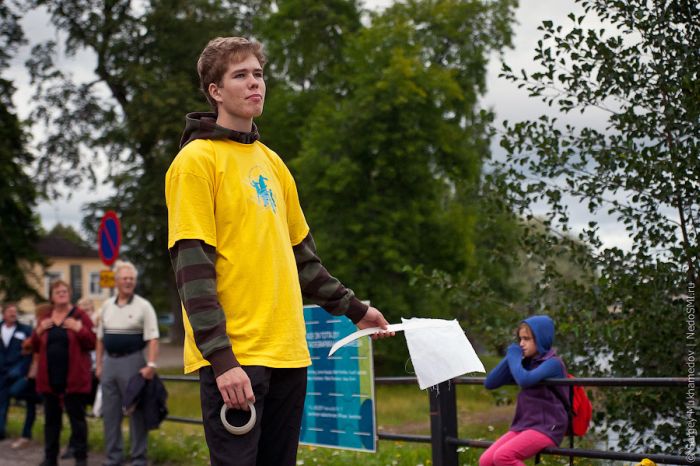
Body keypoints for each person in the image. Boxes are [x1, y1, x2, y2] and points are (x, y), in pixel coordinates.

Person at [165, 36, 393, 466]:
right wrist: (221, 358)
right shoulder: (196, 161)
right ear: (215, 91)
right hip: (236, 358)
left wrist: (356, 310)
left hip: (288, 353)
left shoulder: (274, 163)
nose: (255, 84)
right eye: (240, 75)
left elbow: (304, 261)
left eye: (258, 74)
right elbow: (191, 267)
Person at [479, 315, 568, 466]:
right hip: (524, 425)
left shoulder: (553, 363)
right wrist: (510, 357)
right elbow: (490, 382)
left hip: (548, 427)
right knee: (486, 460)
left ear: (540, 339)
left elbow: (525, 380)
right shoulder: (526, 363)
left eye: (526, 339)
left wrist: (514, 357)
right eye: (520, 339)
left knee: (503, 456)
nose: (521, 344)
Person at [96, 260, 159, 466]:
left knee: (136, 412)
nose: (128, 282)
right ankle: (113, 457)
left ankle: (138, 458)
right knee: (110, 414)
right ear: (116, 281)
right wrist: (98, 365)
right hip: (109, 364)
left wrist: (151, 364)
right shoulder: (106, 306)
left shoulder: (144, 306)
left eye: (131, 278)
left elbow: (153, 338)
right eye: (124, 278)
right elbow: (100, 339)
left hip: (133, 362)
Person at [33, 280, 95, 466]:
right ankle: (50, 458)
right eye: (57, 291)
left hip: (73, 379)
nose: (62, 293)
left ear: (69, 294)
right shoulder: (45, 317)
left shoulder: (80, 315)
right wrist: (39, 330)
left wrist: (79, 329)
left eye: (65, 291)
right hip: (50, 379)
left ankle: (81, 459)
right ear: (51, 296)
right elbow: (33, 345)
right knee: (51, 422)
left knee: (78, 422)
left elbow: (92, 341)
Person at [0, 302, 33, 446]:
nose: (13, 314)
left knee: (26, 400)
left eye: (15, 311)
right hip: (1, 372)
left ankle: (26, 434)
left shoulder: (25, 330)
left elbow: (30, 350)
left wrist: (22, 369)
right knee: (1, 403)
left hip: (17, 372)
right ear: (4, 313)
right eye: (10, 311)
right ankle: (1, 432)